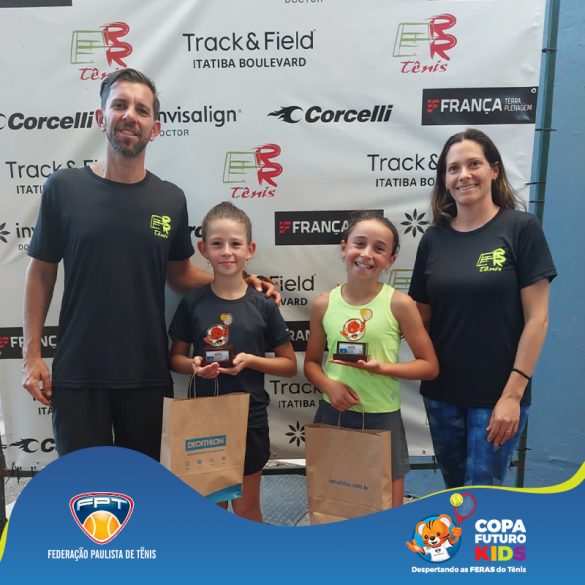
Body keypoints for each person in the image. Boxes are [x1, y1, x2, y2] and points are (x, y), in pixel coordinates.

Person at [21, 68, 277, 461]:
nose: (130, 116)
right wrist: (32, 356)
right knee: (84, 488)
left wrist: (241, 281)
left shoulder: (170, 199)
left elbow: (181, 275)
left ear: (154, 128)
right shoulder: (64, 188)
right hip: (79, 373)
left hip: (147, 373)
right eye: (120, 105)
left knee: (144, 488)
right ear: (101, 117)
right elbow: (41, 272)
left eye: (142, 110)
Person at [408, 128, 557, 488]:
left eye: (473, 164)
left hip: (498, 396)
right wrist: (360, 306)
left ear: (494, 170)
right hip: (442, 395)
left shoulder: (521, 228)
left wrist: (512, 395)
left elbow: (538, 319)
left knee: (483, 495)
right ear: (445, 180)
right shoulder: (433, 239)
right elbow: (417, 317)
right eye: (453, 168)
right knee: (456, 493)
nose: (464, 175)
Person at [168, 202, 296, 522]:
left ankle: (251, 557)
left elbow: (288, 365)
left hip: (249, 419)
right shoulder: (193, 303)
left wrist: (251, 361)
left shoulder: (263, 305)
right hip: (204, 420)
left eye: (235, 244)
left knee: (247, 507)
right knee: (212, 508)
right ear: (203, 250)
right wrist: (194, 367)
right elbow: (175, 358)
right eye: (217, 244)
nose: (227, 252)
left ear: (249, 250)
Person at [304, 211, 439, 506]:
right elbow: (311, 363)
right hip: (333, 414)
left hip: (381, 416)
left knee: (387, 506)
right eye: (359, 243)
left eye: (379, 248)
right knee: (334, 503)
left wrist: (384, 368)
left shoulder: (400, 304)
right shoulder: (324, 304)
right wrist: (329, 386)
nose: (366, 254)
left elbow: (429, 367)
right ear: (344, 248)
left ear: (390, 260)